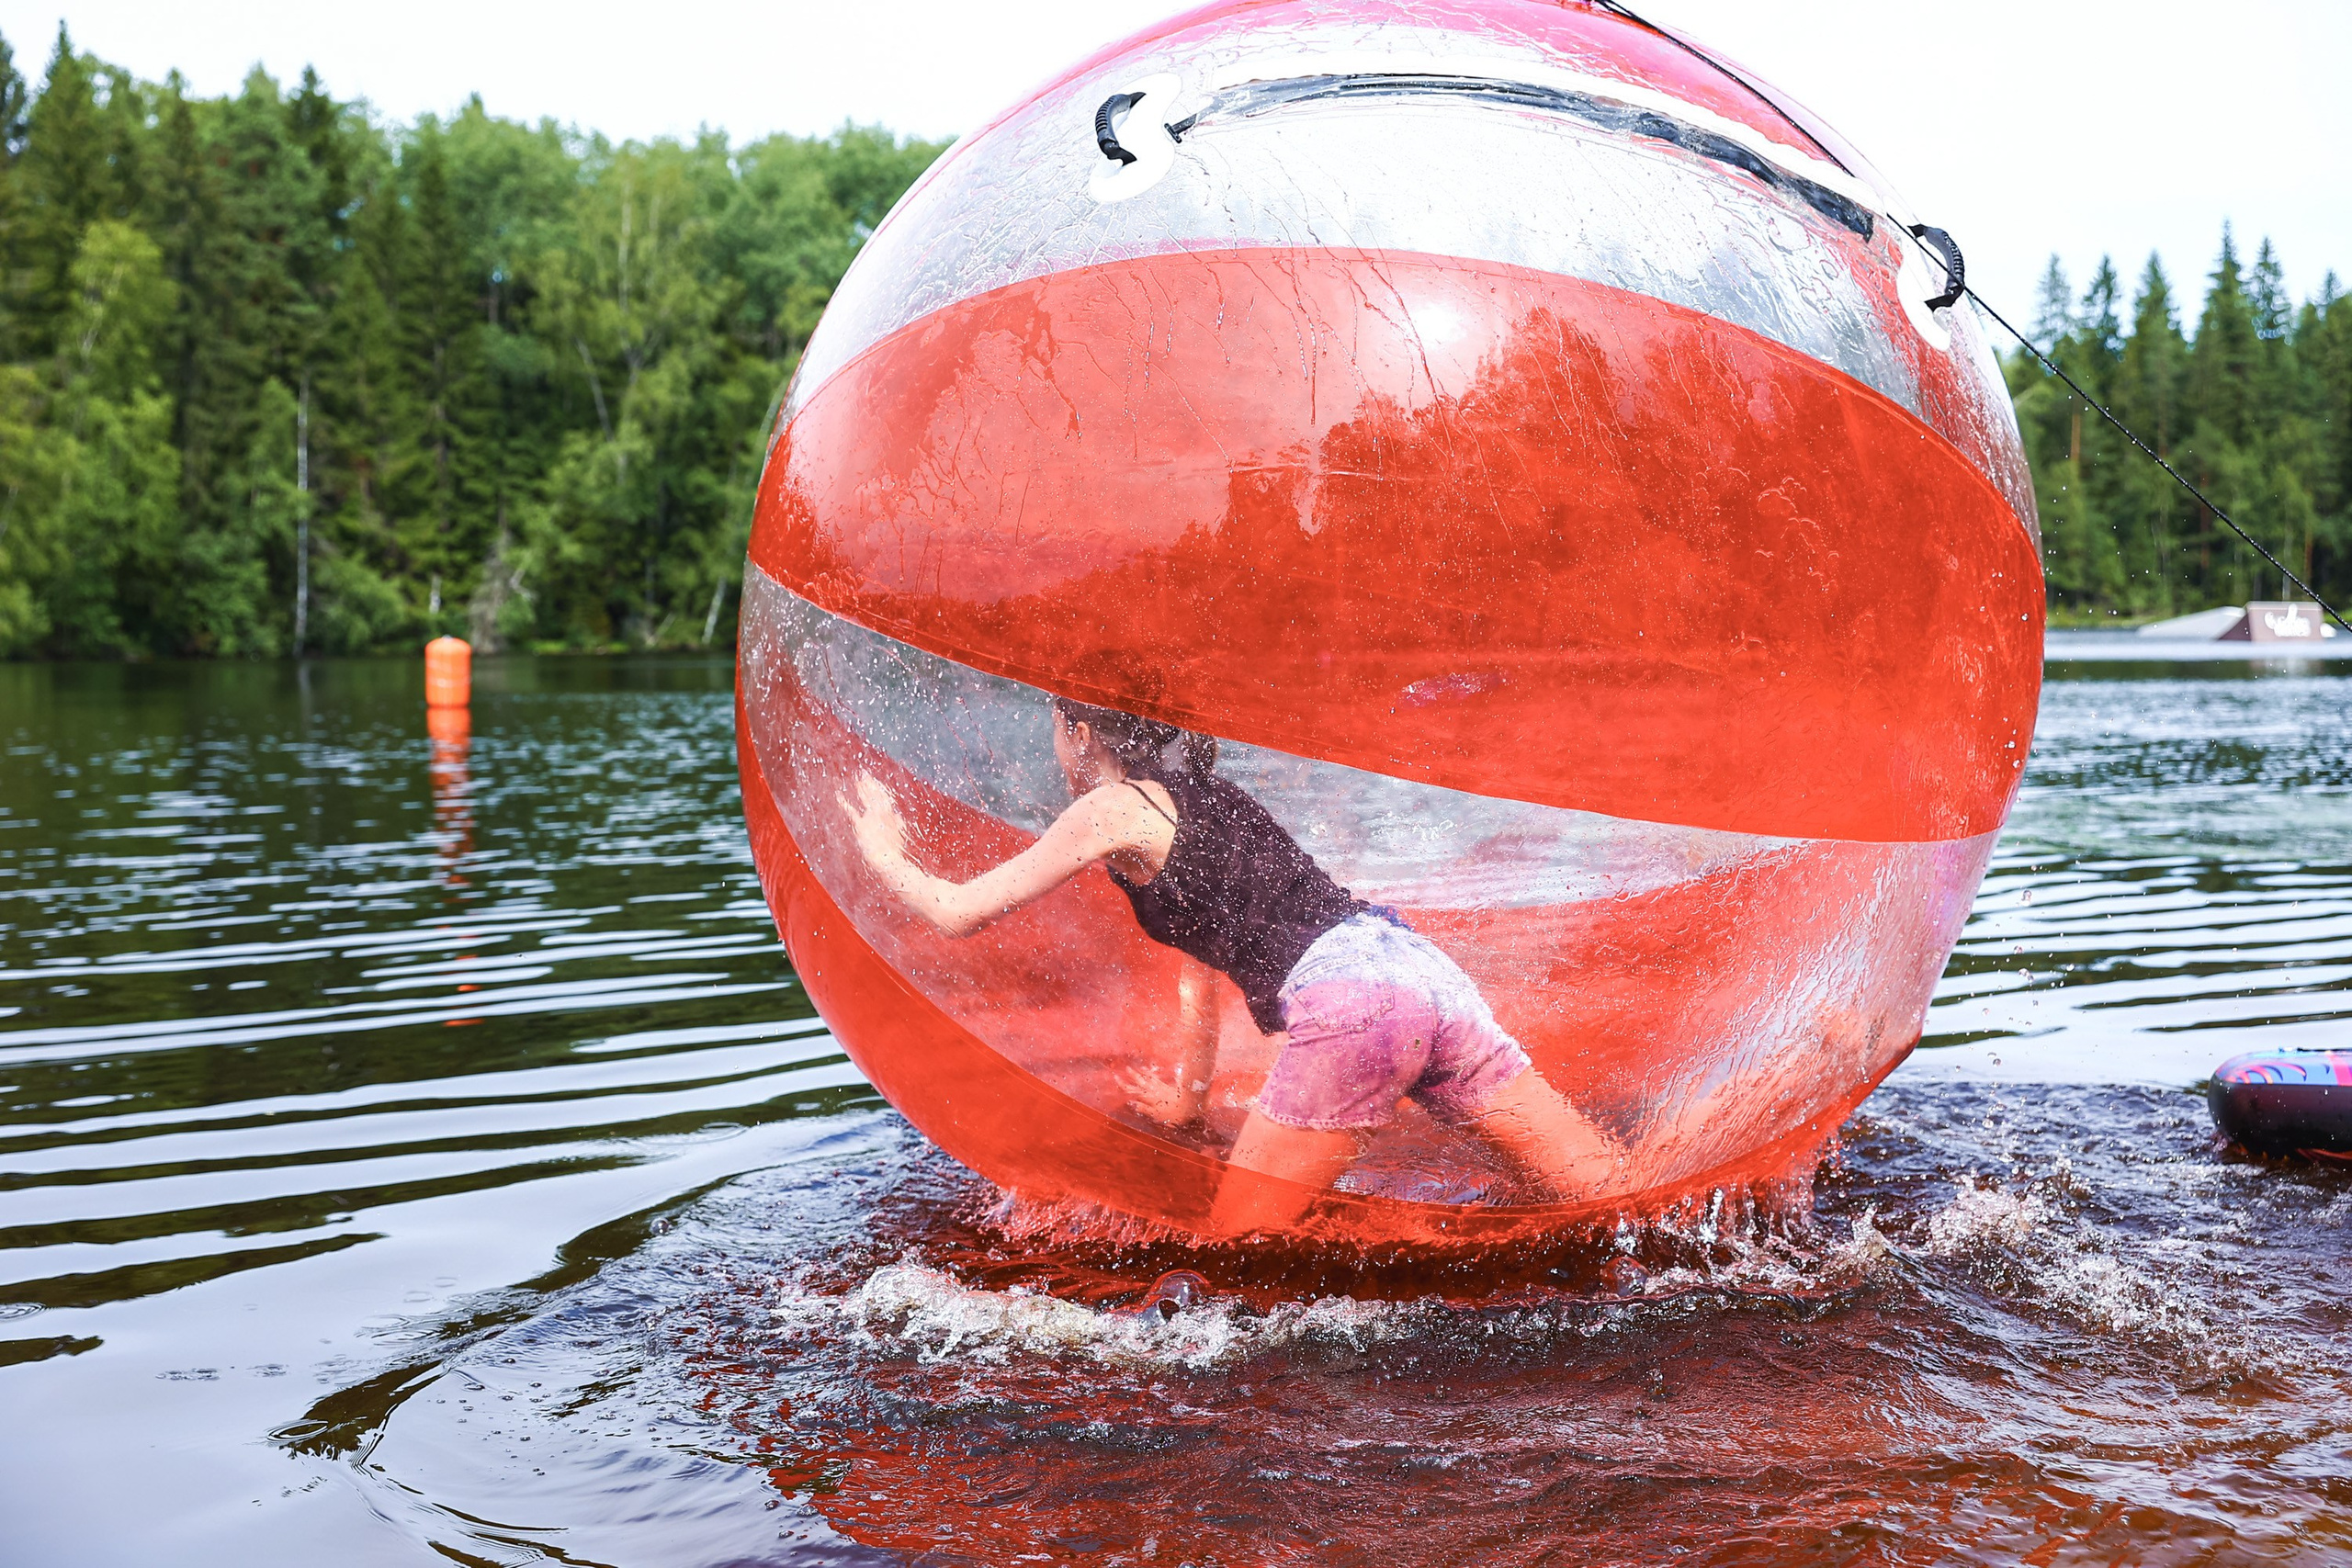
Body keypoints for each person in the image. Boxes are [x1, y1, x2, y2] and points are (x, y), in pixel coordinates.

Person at [837, 694, 1627, 1236]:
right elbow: (1204, 963)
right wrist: (1190, 1098)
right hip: (1420, 970)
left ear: (1078, 732)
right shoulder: (1205, 795)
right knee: (1619, 1197)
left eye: (1053, 726)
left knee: (1238, 1261)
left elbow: (958, 912)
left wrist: (882, 851)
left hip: (1355, 1001)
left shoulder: (1109, 809)